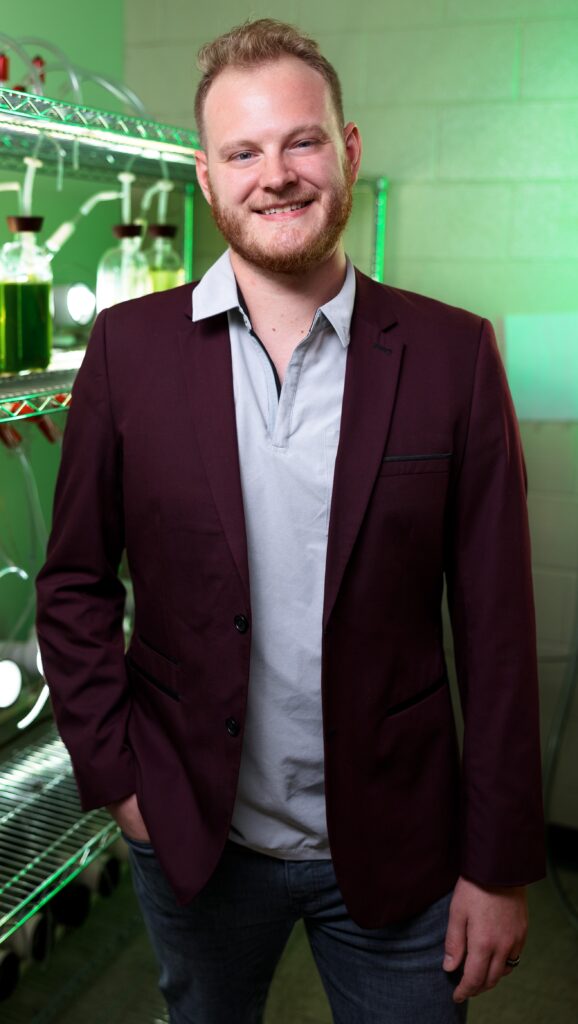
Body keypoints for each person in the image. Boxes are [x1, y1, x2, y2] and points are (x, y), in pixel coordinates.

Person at [36, 18, 545, 1024]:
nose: (275, 174)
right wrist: (119, 782)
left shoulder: (449, 356)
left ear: (347, 149)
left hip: (402, 842)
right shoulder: (128, 351)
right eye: (242, 151)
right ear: (206, 177)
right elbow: (74, 583)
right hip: (191, 833)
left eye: (300, 140)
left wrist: (497, 864)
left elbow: (495, 630)